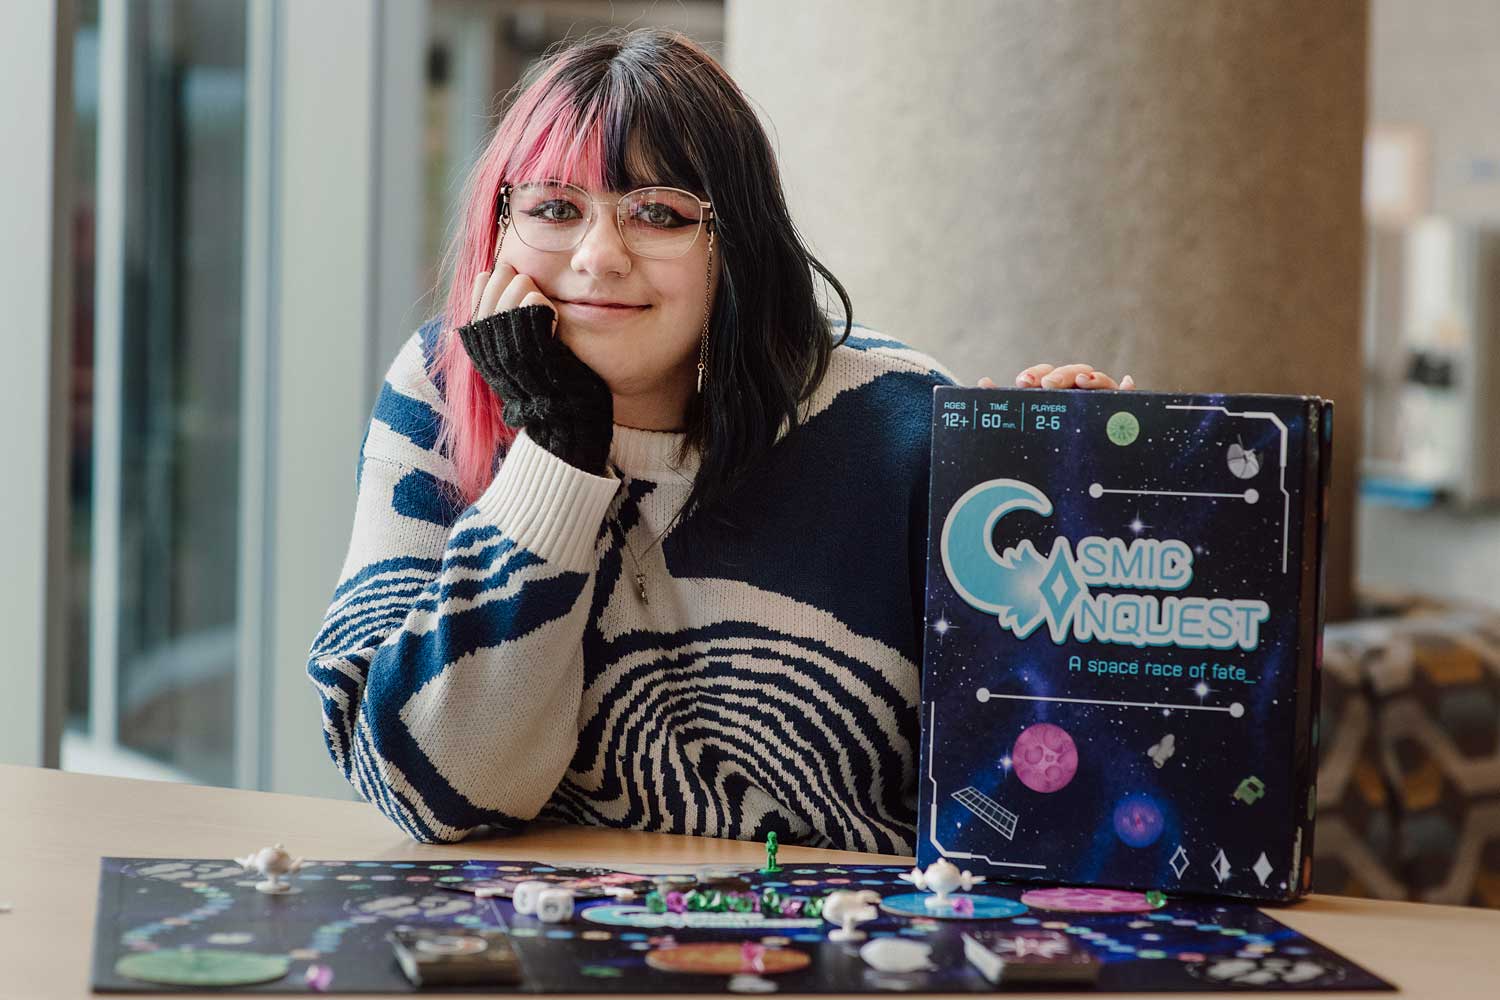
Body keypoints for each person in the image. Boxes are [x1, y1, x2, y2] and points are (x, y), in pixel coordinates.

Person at [306, 28, 1131, 853]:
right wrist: (558, 450)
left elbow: (1042, 784)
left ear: (734, 247)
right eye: (556, 208)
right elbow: (432, 790)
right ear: (501, 224)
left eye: (658, 214)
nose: (597, 257)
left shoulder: (895, 419)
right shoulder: (443, 390)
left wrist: (1088, 528)